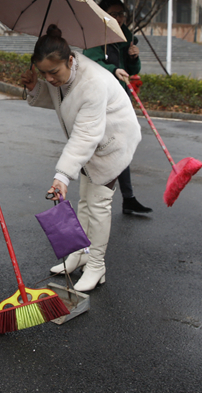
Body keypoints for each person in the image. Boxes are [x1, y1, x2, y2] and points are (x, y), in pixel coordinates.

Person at [20, 24, 142, 292]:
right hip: (89, 145)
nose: (50, 78)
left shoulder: (93, 82)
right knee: (85, 201)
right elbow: (60, 99)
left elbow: (86, 135)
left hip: (112, 143)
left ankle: (97, 265)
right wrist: (35, 87)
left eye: (53, 73)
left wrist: (61, 175)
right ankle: (81, 252)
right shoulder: (62, 73)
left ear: (71, 60)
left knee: (98, 205)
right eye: (43, 73)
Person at [83, 0, 152, 214]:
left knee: (122, 147)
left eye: (121, 13)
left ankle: (128, 197)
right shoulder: (95, 36)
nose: (118, 18)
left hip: (120, 99)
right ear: (102, 14)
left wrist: (133, 58)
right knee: (96, 148)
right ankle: (92, 196)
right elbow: (91, 63)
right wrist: (113, 70)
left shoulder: (126, 37)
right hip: (99, 101)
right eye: (113, 13)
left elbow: (130, 70)